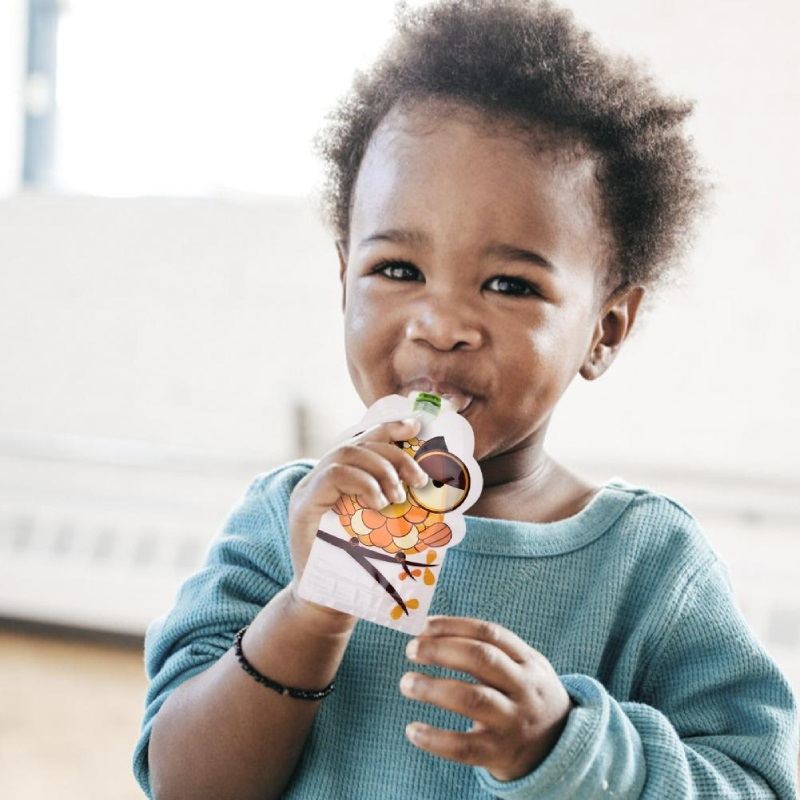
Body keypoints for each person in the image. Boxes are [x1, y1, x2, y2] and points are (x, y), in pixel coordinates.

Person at [132, 1, 799, 798]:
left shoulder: (650, 567)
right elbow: (186, 784)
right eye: (398, 270)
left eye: (510, 284)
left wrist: (568, 747)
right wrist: (309, 613)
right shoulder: (284, 522)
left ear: (606, 329)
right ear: (344, 276)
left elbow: (755, 784)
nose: (442, 324)